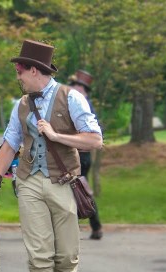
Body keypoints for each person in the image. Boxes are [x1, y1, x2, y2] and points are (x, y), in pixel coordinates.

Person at [0, 40, 103, 272]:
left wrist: (56, 135)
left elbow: (94, 140)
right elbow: (9, 144)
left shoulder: (72, 98)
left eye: (20, 71)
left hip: (63, 181)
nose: (18, 78)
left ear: (35, 70)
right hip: (28, 181)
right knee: (39, 253)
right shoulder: (21, 104)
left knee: (67, 258)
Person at [68, 69, 104, 240]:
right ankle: (92, 226)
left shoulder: (84, 106)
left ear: (84, 90)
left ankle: (76, 227)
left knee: (77, 189)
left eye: (77, 86)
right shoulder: (75, 103)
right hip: (75, 153)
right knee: (78, 189)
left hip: (81, 154)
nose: (73, 88)